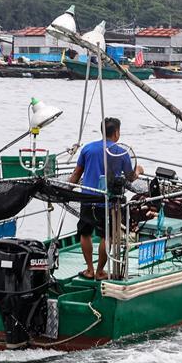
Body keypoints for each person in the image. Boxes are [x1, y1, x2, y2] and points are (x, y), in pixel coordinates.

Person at [68, 117, 144, 280]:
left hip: (87, 198)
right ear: (116, 133)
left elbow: (76, 174)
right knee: (106, 236)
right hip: (107, 201)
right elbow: (130, 177)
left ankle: (89, 269)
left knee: (85, 233)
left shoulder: (88, 149)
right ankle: (100, 271)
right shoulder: (121, 152)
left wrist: (66, 189)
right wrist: (139, 170)